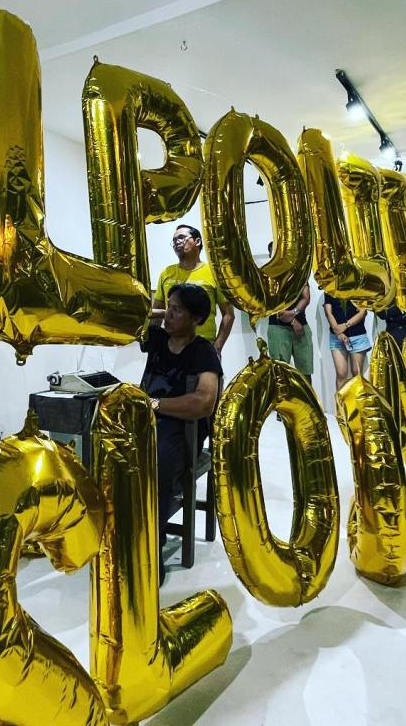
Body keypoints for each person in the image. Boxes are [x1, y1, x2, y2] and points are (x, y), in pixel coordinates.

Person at [141, 282, 221, 584]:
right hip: (148, 423)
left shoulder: (203, 352)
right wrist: (159, 311)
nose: (168, 315)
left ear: (196, 318)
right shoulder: (157, 339)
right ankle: (124, 531)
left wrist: (155, 404)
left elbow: (204, 402)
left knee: (157, 464)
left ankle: (152, 541)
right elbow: (132, 318)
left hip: (181, 429)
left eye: (176, 310)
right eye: (168, 307)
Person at [152, 224, 235, 355]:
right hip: (171, 347)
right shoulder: (166, 273)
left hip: (204, 347)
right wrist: (153, 343)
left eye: (181, 237)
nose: (177, 242)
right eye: (174, 240)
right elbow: (156, 312)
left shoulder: (214, 273)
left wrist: (217, 348)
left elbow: (228, 314)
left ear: (197, 241)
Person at [267, 262, 313, 382]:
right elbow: (269, 303)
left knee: (305, 375)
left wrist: (294, 313)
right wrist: (292, 320)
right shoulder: (269, 273)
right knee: (280, 374)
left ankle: (306, 395)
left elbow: (306, 297)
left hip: (301, 326)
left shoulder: (300, 271)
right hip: (278, 327)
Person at [323, 294, 371, 389]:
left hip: (357, 335)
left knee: (357, 373)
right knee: (341, 374)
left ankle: (357, 399)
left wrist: (345, 326)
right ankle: (340, 399)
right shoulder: (330, 288)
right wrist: (338, 331)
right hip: (337, 337)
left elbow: (363, 312)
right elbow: (328, 312)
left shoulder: (358, 287)